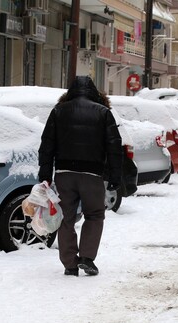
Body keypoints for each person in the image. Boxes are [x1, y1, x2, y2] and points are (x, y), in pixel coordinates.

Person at [38, 76, 122, 277]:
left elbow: (46, 145)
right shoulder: (103, 113)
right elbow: (114, 147)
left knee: (65, 217)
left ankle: (70, 263)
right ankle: (86, 258)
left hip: (64, 174)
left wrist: (45, 174)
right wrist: (115, 175)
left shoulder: (58, 111)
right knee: (94, 214)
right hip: (92, 174)